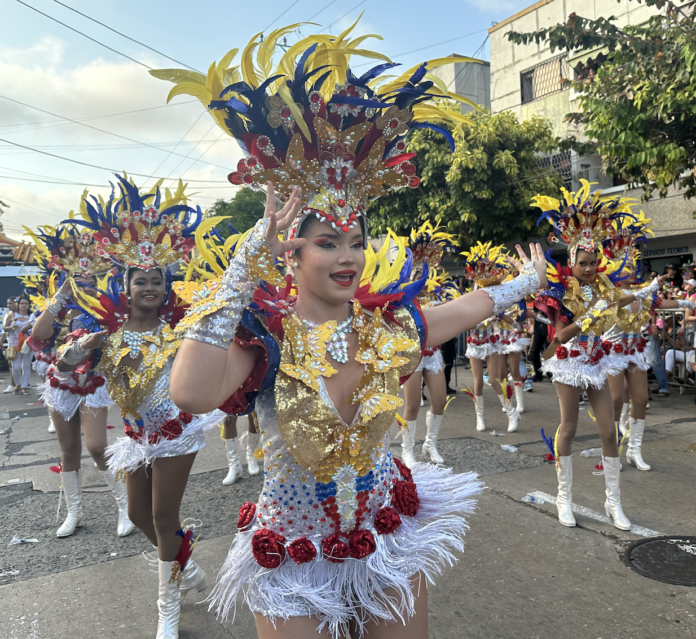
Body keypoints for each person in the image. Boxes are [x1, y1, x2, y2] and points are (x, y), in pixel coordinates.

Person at [160, 28, 547, 639]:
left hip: (385, 532)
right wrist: (241, 269)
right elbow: (189, 395)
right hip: (291, 551)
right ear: (291, 252)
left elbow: (462, 309)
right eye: (327, 242)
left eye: (357, 242)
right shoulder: (266, 337)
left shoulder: (386, 327)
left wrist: (523, 285)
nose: (348, 257)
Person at [54, 176, 227, 638]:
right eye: (140, 281)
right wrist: (72, 356)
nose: (149, 287)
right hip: (135, 437)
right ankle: (184, 566)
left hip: (176, 431)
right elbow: (66, 372)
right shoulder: (103, 334)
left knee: (164, 517)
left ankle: (166, 609)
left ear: (165, 287)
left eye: (157, 280)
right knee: (136, 516)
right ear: (125, 287)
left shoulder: (180, 329)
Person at [533, 181, 661, 531]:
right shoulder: (560, 292)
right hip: (570, 361)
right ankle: (564, 498)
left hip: (598, 359)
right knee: (570, 428)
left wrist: (649, 289)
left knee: (607, 432)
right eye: (583, 263)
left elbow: (621, 298)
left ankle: (613, 503)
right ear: (571, 260)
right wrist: (589, 316)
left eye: (593, 263)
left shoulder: (603, 287)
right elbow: (559, 336)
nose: (589, 268)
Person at [29, 223, 130, 539]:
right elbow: (38, 335)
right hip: (61, 380)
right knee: (68, 450)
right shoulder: (63, 303)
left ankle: (126, 508)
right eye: (78, 271)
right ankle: (74, 513)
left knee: (97, 446)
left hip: (93, 381)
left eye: (90, 270)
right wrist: (62, 295)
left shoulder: (108, 302)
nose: (84, 275)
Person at [602, 215, 695, 471]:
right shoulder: (609, 295)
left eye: (633, 265)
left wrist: (689, 303)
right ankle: (611, 452)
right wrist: (651, 286)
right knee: (615, 399)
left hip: (635, 351)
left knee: (641, 400)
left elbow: (661, 303)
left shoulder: (642, 294)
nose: (633, 270)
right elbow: (623, 302)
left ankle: (634, 450)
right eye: (627, 267)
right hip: (612, 353)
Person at [399, 223, 459, 466]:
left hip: (433, 354)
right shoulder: (402, 293)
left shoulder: (438, 292)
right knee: (412, 404)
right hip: (412, 352)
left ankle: (430, 443)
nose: (424, 274)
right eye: (418, 269)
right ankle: (407, 450)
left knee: (439, 400)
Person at [460, 242, 513, 432]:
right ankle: (479, 417)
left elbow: (503, 317)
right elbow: (465, 322)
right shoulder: (469, 299)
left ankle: (510, 412)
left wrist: (511, 323)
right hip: (475, 341)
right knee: (478, 381)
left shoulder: (493, 297)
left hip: (490, 341)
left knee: (493, 378)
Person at [7, 296, 34, 394]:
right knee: (16, 366)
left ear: (29, 305)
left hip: (27, 343)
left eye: (26, 304)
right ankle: (17, 384)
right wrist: (11, 326)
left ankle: (24, 386)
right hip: (14, 342)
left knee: (26, 366)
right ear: (18, 304)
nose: (23, 305)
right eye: (22, 303)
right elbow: (5, 328)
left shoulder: (31, 316)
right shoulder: (12, 315)